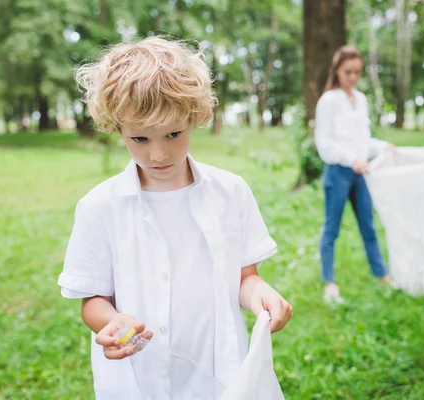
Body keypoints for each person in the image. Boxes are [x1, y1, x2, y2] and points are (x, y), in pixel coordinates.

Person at [57, 36, 292, 398]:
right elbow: (93, 299)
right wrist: (111, 321)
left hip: (216, 376)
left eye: (173, 133)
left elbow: (245, 276)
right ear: (116, 128)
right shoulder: (100, 207)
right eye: (140, 139)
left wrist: (260, 292)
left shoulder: (231, 193)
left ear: (193, 116)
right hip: (139, 379)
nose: (158, 154)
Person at [314, 45, 396, 305]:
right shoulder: (328, 100)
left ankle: (381, 275)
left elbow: (363, 141)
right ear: (337, 71)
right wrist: (351, 159)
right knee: (332, 228)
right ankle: (329, 281)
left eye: (357, 72)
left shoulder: (360, 99)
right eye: (348, 71)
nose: (352, 77)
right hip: (338, 173)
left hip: (361, 175)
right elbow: (323, 143)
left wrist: (382, 147)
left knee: (368, 226)